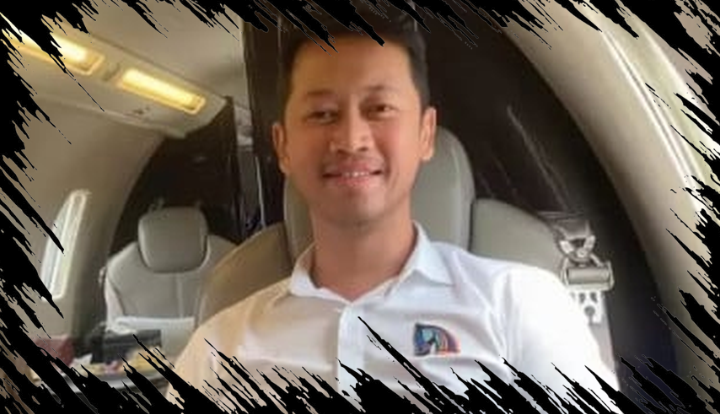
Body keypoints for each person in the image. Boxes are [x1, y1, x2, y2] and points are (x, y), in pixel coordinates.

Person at [166, 6, 619, 413]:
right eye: (322, 114)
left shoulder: (520, 306)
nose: (351, 139)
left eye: (379, 108)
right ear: (283, 146)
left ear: (425, 133)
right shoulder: (216, 353)